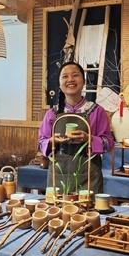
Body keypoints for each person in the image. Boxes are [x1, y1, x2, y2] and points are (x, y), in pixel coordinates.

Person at [38, 62, 114, 194]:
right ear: (59, 83)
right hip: (58, 178)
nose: (70, 80)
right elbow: (41, 142)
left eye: (75, 75)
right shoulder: (52, 114)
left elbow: (109, 143)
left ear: (83, 81)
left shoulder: (97, 111)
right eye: (65, 76)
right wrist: (51, 141)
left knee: (87, 207)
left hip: (89, 178)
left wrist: (89, 139)